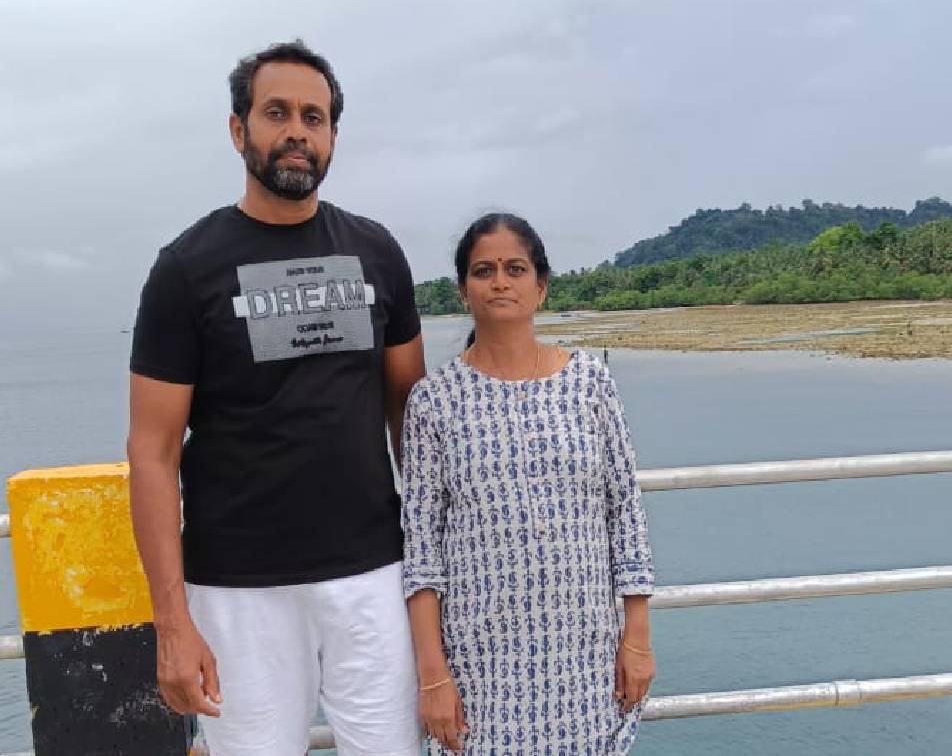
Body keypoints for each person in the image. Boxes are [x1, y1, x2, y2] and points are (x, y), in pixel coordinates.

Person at [127, 40, 425, 756]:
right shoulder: (186, 269)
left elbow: (413, 422)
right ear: (239, 129)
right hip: (237, 589)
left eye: (314, 118)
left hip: (373, 578)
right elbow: (152, 453)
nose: (297, 131)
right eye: (277, 113)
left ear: (332, 137)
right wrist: (173, 623)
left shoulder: (377, 253)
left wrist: (435, 571)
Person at [400, 213, 656, 754]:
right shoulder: (434, 401)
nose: (500, 282)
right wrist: (433, 675)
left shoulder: (590, 382)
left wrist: (636, 638)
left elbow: (625, 512)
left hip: (584, 656)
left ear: (541, 287)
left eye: (515, 269)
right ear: (463, 290)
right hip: (480, 663)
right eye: (484, 271)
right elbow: (421, 550)